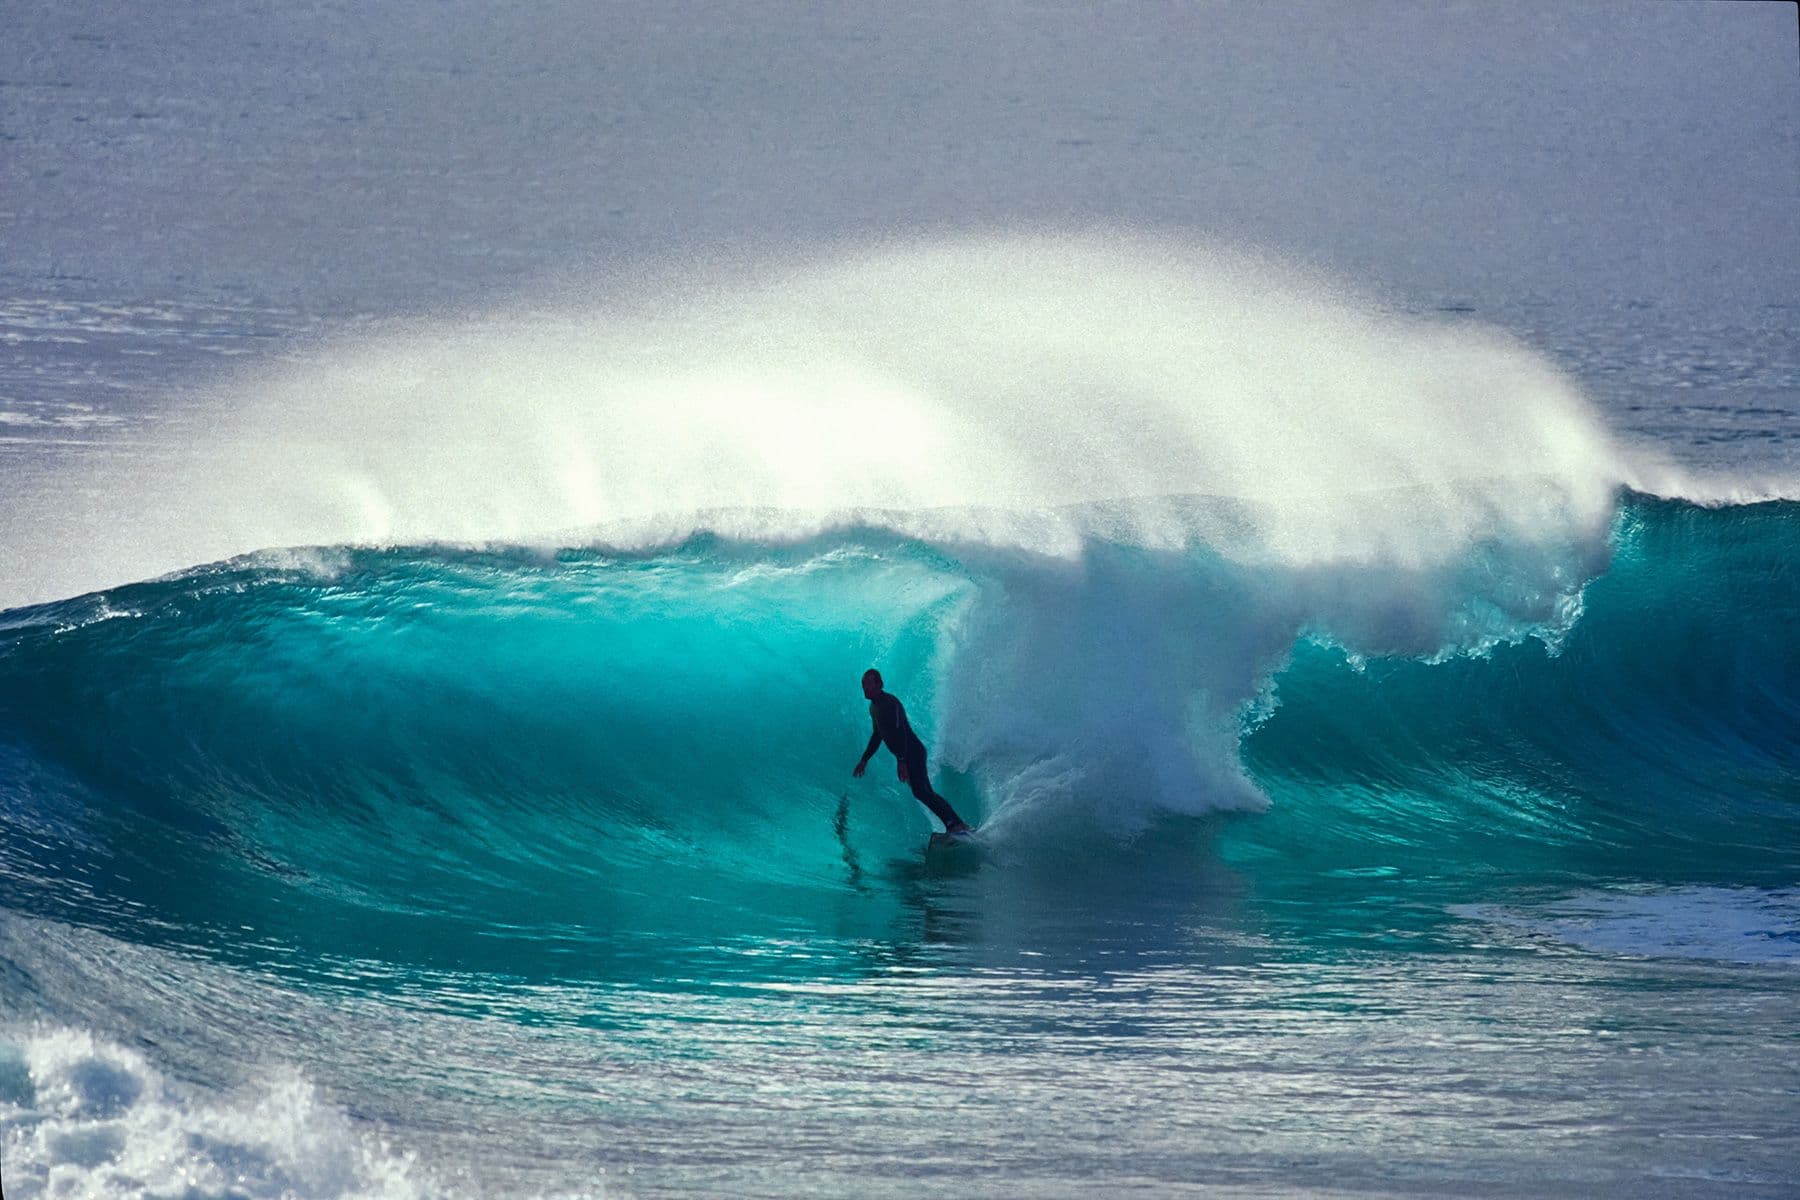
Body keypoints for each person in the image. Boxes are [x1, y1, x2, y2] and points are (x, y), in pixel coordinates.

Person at [852, 668, 971, 834]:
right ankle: (955, 824)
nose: (865, 688)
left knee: (922, 791)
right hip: (906, 755)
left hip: (913, 752)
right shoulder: (874, 708)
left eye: (868, 684)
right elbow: (877, 735)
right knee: (923, 792)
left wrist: (902, 761)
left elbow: (901, 732)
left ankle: (956, 824)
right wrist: (864, 759)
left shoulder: (890, 704)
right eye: (863, 685)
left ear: (879, 684)